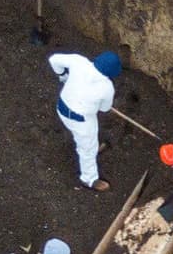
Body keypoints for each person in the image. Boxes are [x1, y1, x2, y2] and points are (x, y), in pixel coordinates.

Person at [49, 49, 121, 191]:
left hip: (61, 107)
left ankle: (91, 150)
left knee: (87, 142)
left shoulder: (79, 61)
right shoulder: (107, 87)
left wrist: (63, 76)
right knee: (87, 149)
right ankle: (89, 179)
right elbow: (105, 109)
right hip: (80, 121)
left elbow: (53, 60)